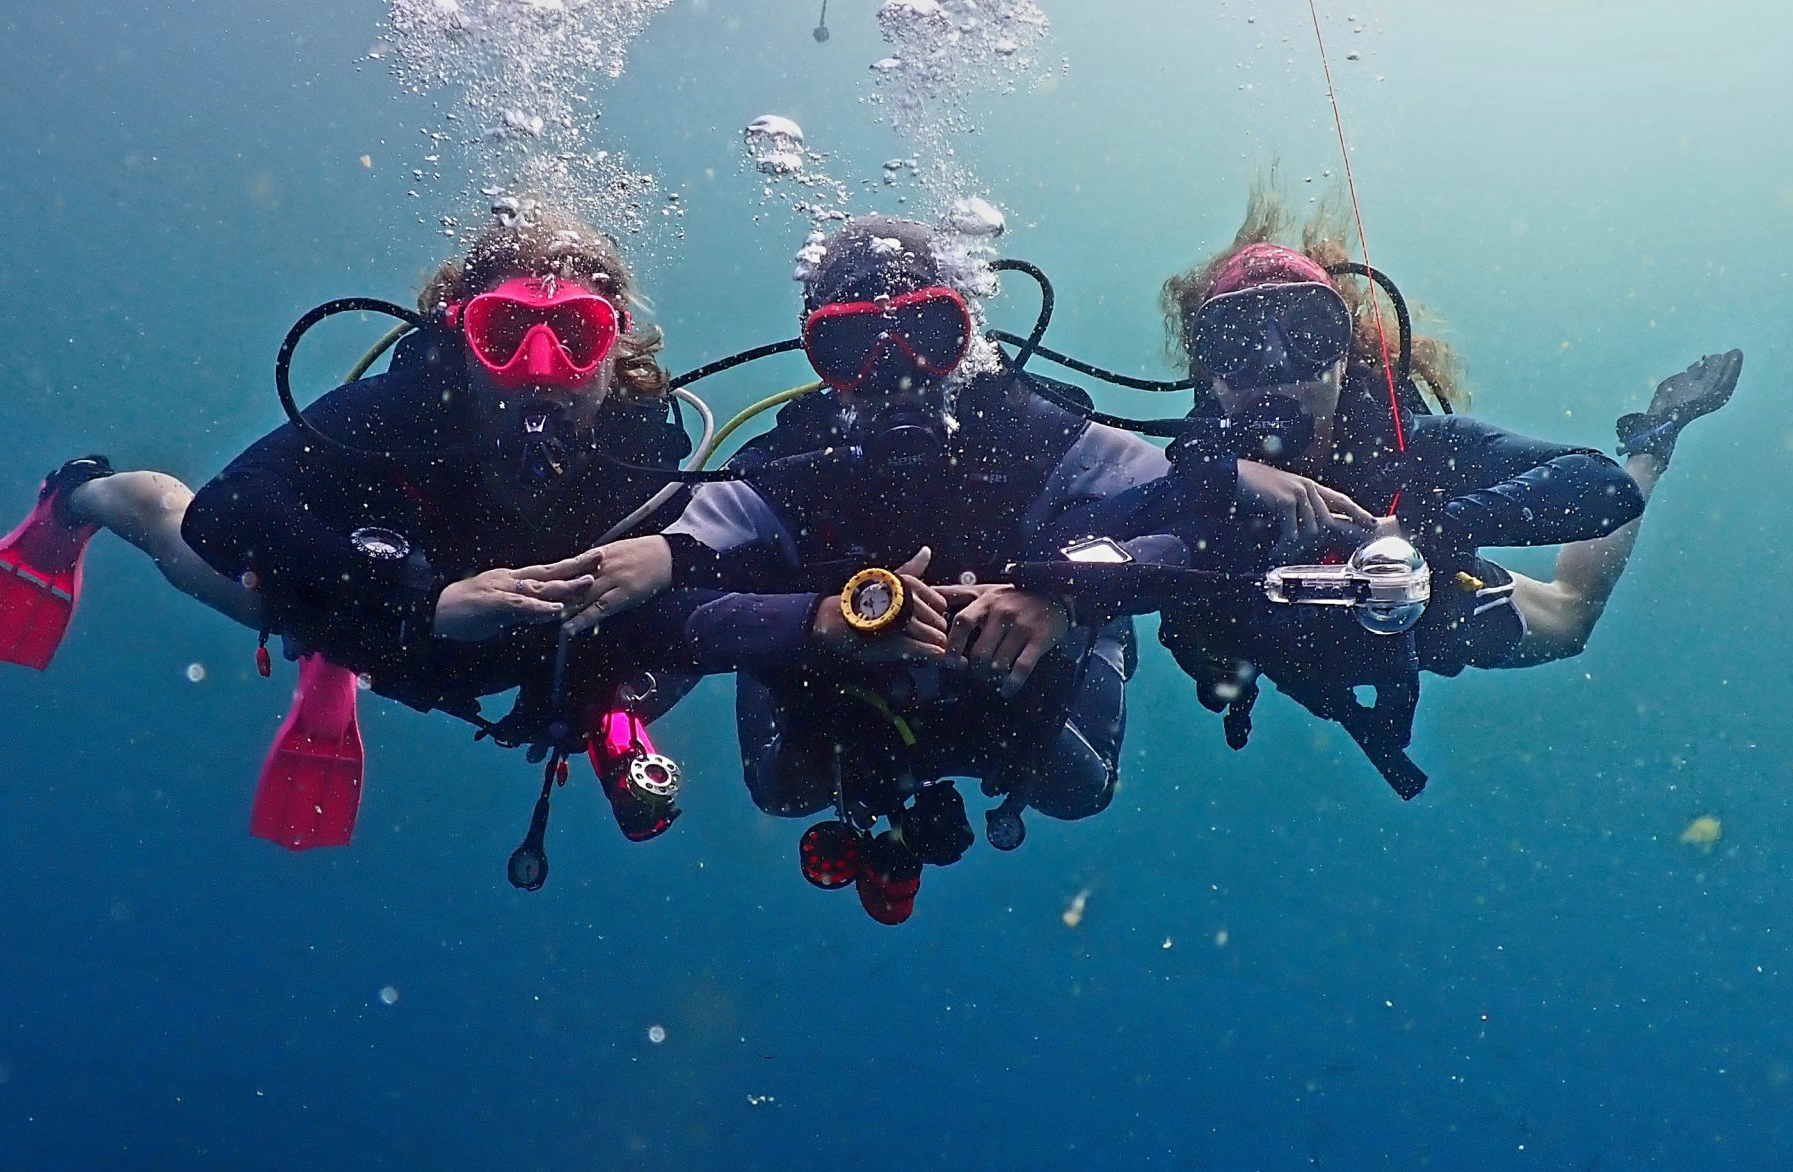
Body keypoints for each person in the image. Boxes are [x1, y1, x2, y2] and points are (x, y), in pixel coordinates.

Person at [553, 216, 1337, 924]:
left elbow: (1201, 529)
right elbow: (656, 609)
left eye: (930, 331)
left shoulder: (1042, 433)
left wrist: (1064, 596)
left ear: (973, 338)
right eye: (854, 346)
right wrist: (815, 623)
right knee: (783, 786)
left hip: (1018, 697)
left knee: (1077, 785)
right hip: (843, 706)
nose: (900, 371)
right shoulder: (787, 465)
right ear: (820, 360)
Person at [0, 214, 697, 862]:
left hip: (467, 646)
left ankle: (338, 661)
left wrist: (613, 706)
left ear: (615, 344)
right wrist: (415, 597)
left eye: (577, 334)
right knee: (165, 524)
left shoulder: (640, 441)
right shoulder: (411, 401)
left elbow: (701, 592)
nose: (541, 369)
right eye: (503, 332)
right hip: (351, 593)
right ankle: (76, 495)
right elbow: (225, 512)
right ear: (460, 336)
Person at [1154, 184, 1741, 794]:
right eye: (1237, 344)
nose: (1276, 372)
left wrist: (1428, 531)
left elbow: (1601, 487)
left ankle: (1655, 439)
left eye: (1306, 336)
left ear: (1344, 355)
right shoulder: (1186, 478)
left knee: (1571, 616)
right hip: (1284, 648)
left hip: (1431, 614)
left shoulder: (1405, 446)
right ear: (1208, 375)